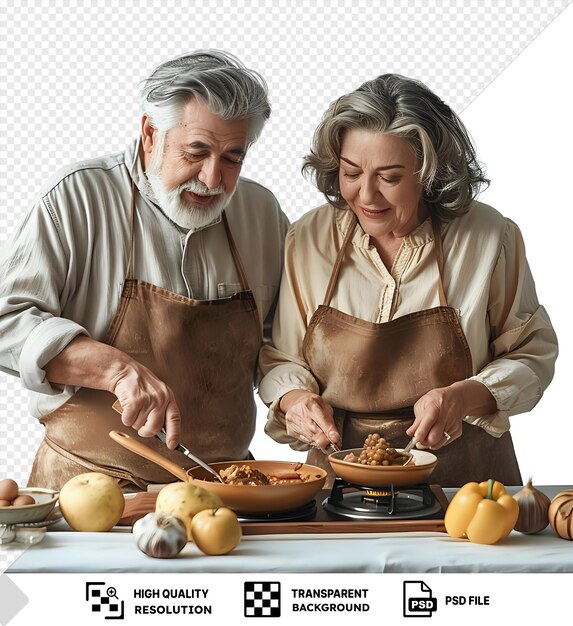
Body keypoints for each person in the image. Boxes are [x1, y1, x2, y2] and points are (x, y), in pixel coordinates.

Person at [0, 50, 289, 491]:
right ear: (150, 134)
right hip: (88, 491)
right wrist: (113, 369)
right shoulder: (79, 197)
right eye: (196, 152)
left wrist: (293, 393)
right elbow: (6, 321)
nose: (212, 179)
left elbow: (279, 343)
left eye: (233, 158)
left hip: (223, 489)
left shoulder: (262, 213)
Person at [258, 73, 558, 487]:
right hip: (336, 481)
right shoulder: (308, 237)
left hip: (465, 483)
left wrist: (463, 397)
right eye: (351, 173)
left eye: (390, 177)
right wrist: (294, 400)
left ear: (429, 173)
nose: (366, 195)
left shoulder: (490, 237)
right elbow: (281, 357)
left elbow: (531, 355)